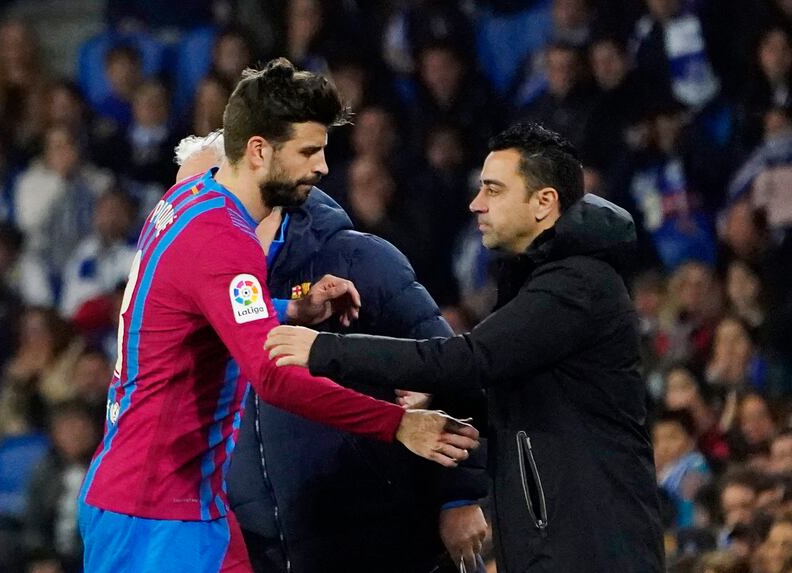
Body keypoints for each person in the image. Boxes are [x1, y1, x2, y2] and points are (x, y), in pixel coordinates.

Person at [76, 58, 479, 573]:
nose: (323, 168)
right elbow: (272, 378)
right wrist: (398, 423)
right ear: (260, 150)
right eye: (309, 151)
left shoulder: (188, 199)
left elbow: (196, 308)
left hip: (184, 500)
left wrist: (295, 306)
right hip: (154, 513)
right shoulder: (226, 241)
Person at [266, 121, 665, 572]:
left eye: (493, 190)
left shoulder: (578, 284)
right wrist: (438, 397)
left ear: (543, 202)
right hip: (559, 538)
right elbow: (520, 396)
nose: (476, 204)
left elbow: (467, 359)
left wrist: (321, 349)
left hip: (591, 547)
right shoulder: (540, 280)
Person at [175, 132, 489, 572]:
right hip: (256, 549)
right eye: (176, 200)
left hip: (377, 536)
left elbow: (450, 371)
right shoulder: (191, 295)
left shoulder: (359, 260)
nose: (180, 217)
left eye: (198, 193)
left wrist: (459, 496)